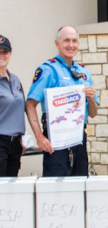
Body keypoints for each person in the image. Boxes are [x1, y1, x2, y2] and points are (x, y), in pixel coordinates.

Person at [26, 26, 98, 176]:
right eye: (66, 40)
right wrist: (39, 137)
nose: (71, 45)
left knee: (80, 186)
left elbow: (93, 114)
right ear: (57, 43)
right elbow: (30, 104)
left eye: (74, 41)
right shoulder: (48, 70)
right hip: (55, 139)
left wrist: (91, 99)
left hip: (78, 137)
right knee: (56, 189)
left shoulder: (84, 72)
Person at [0, 35, 26, 176]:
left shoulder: (15, 79)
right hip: (0, 142)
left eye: (5, 52)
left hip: (15, 144)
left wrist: (21, 139)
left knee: (12, 188)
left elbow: (19, 110)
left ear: (10, 53)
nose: (2, 55)